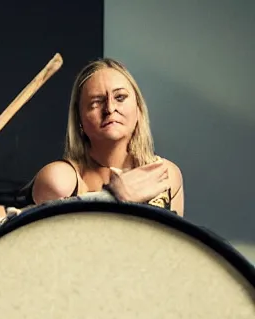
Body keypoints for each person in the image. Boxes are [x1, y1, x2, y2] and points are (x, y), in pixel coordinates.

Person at [26, 57, 185, 214]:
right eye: (96, 102)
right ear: (79, 119)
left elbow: (172, 240)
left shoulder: (166, 175)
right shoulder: (61, 179)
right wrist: (112, 198)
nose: (110, 108)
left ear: (138, 109)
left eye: (120, 97)